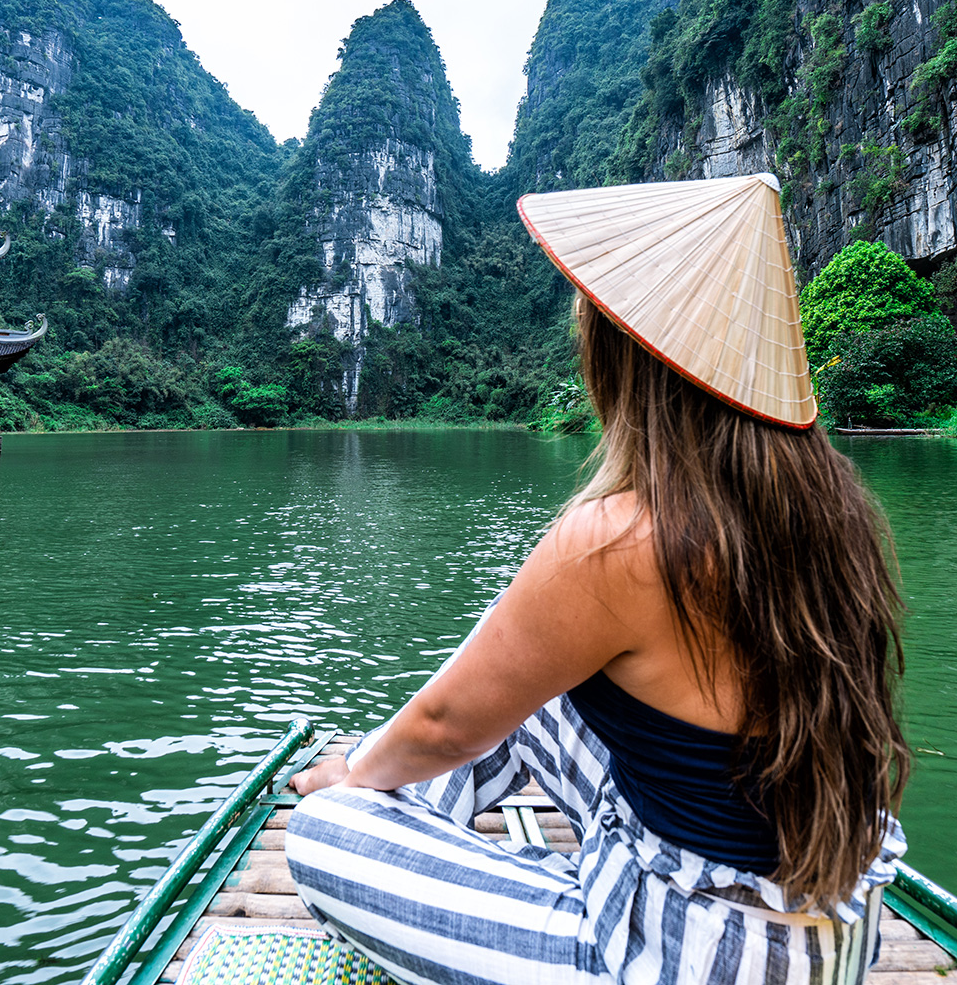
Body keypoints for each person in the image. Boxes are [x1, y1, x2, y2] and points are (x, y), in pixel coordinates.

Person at [284, 175, 910, 985]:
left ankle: (386, 809)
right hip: (833, 944)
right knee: (527, 687)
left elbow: (445, 725)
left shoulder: (623, 538)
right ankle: (409, 809)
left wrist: (353, 778)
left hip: (692, 960)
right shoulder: (838, 506)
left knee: (324, 829)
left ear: (622, 356)